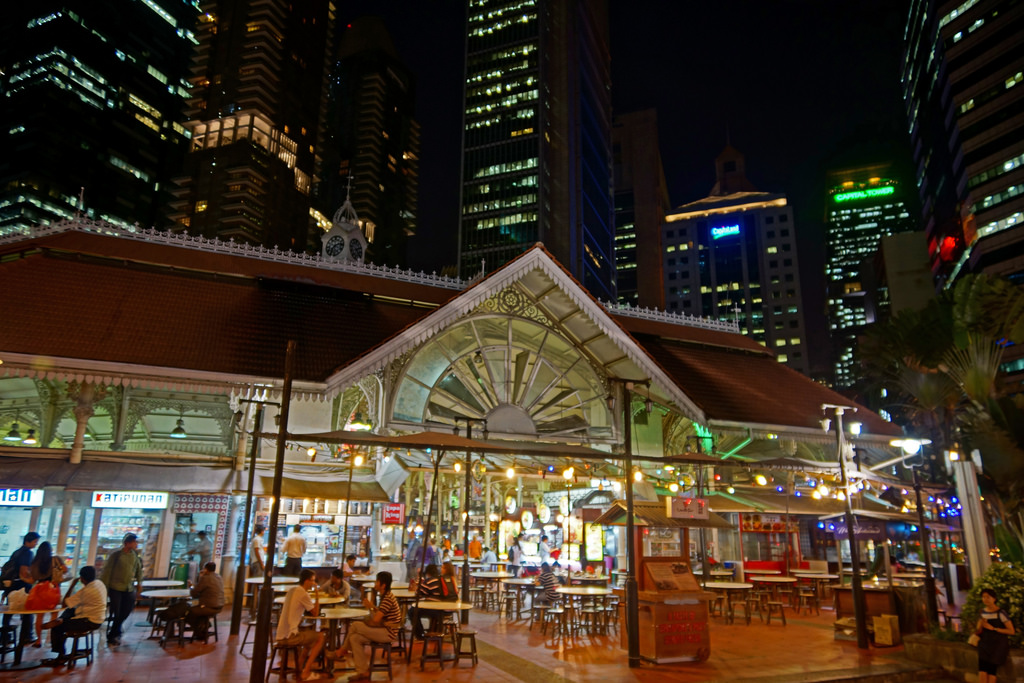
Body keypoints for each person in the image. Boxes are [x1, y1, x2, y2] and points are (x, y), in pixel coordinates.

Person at [331, 571, 402, 682]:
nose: (375, 583)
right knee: (354, 638)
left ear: (383, 585)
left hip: (388, 633)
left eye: (377, 581)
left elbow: (375, 620)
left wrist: (370, 609)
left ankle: (341, 651)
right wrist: (372, 606)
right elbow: (379, 616)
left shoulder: (387, 598)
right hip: (384, 630)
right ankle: (362, 671)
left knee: (355, 625)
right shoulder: (386, 596)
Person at [41, 565, 107, 667]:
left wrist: (72, 585)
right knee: (71, 609)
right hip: (98, 618)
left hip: (88, 622)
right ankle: (61, 619)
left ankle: (60, 656)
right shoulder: (99, 583)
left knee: (57, 628)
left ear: (82, 578)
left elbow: (64, 603)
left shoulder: (86, 591)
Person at [275, 569, 324, 681]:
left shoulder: (292, 590)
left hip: (281, 634)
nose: (314, 583)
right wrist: (317, 593)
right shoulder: (303, 594)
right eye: (313, 581)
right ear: (306, 581)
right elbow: (316, 613)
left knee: (310, 638)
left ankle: (299, 668)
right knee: (320, 637)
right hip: (290, 636)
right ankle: (306, 671)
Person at [100, 533, 143, 646]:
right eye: (134, 542)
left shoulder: (134, 555)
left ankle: (115, 632)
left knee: (126, 610)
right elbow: (107, 571)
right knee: (117, 612)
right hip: (115, 587)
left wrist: (139, 583)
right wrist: (105, 587)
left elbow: (138, 569)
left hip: (128, 588)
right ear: (127, 543)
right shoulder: (116, 555)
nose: (136, 544)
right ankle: (114, 634)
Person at [1, 531, 39, 647]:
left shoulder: (16, 552)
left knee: (9, 612)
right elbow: (24, 571)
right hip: (22, 586)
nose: (36, 544)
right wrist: (31, 580)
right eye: (34, 542)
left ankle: (5, 636)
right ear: (28, 541)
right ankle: (27, 636)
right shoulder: (27, 553)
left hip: (12, 585)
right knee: (27, 612)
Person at [30, 541, 68, 647]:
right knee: (54, 614)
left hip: (40, 590)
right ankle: (51, 638)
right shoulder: (55, 559)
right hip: (53, 589)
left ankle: (38, 640)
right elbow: (65, 570)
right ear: (50, 550)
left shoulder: (34, 563)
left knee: (39, 616)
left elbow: (33, 578)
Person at [975, 588, 1015, 683]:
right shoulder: (982, 612)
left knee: (992, 670)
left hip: (997, 644)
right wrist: (981, 623)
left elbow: (1011, 631)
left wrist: (994, 628)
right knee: (982, 669)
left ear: (994, 598)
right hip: (985, 643)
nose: (985, 599)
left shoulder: (1001, 613)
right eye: (983, 597)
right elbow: (978, 630)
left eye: (988, 597)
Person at [187, 562, 225, 641]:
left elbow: (194, 593)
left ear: (206, 569)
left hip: (209, 607)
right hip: (219, 606)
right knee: (199, 612)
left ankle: (200, 633)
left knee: (189, 613)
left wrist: (191, 586)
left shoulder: (205, 578)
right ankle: (204, 626)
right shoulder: (219, 577)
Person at [407, 564, 442, 638]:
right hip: (444, 608)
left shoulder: (429, 581)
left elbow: (418, 594)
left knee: (412, 611)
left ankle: (420, 635)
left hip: (433, 609)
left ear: (428, 573)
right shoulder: (441, 580)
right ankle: (431, 631)